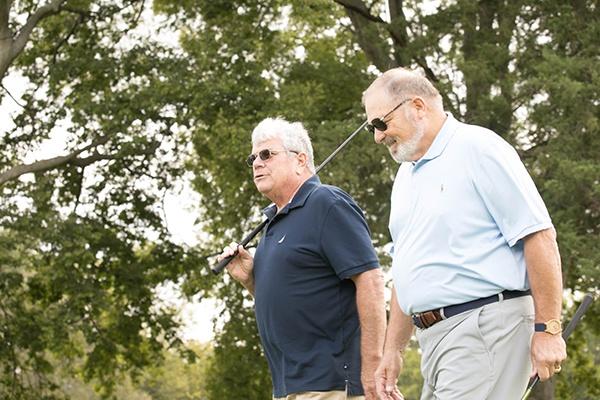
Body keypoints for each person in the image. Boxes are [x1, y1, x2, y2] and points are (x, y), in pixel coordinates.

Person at [361, 68, 567, 400]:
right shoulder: (405, 177)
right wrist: (393, 350)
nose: (377, 137)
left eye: (380, 124)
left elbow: (538, 236)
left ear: (417, 106)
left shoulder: (478, 147)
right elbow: (406, 270)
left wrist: (548, 330)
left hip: (484, 327)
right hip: (435, 340)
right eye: (372, 128)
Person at [217, 117, 387, 400]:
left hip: (331, 384)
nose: (257, 163)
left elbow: (370, 281)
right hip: (290, 386)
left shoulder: (326, 202)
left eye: (267, 154)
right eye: (253, 158)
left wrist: (372, 366)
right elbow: (294, 302)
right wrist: (251, 280)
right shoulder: (273, 222)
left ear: (300, 160)